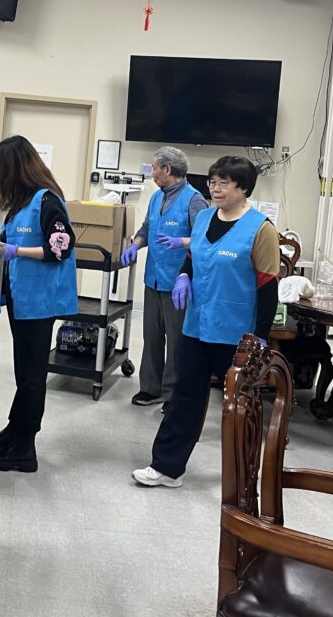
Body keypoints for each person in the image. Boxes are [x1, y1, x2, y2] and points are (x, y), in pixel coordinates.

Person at [132, 156, 279, 488]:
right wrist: (184, 275)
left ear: (244, 188)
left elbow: (268, 287)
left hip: (236, 335)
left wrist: (261, 337)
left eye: (224, 182)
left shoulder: (261, 229)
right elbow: (193, 256)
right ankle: (166, 468)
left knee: (241, 407)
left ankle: (244, 478)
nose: (216, 188)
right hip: (196, 327)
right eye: (213, 182)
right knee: (183, 399)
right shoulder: (204, 218)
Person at [0, 135, 78, 473]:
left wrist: (16, 251)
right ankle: (14, 431)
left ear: (14, 169)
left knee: (33, 375)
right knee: (24, 372)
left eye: (0, 171)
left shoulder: (46, 200)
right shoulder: (21, 204)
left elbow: (60, 248)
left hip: (40, 302)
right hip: (22, 298)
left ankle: (24, 449)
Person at [120, 146, 207, 408]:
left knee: (177, 340)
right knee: (152, 336)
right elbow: (147, 227)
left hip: (179, 283)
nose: (152, 172)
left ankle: (174, 395)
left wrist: (182, 243)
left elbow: (204, 240)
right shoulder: (156, 197)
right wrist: (135, 245)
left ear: (167, 169)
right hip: (153, 279)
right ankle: (151, 388)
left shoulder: (194, 200)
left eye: (155, 167)